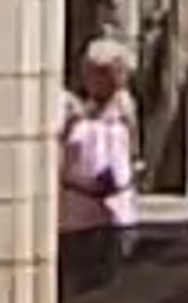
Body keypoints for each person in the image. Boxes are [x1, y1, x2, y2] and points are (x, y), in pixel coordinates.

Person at [56, 35, 138, 255]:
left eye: (117, 72)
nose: (114, 79)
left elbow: (131, 149)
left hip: (117, 215)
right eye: (101, 72)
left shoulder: (123, 107)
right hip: (78, 214)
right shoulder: (68, 109)